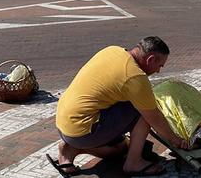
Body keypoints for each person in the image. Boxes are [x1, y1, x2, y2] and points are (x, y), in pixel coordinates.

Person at [49, 36, 188, 177]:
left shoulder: (112, 50)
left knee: (120, 150)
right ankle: (133, 163)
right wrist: (176, 140)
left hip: (64, 124)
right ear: (150, 59)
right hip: (83, 131)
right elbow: (154, 119)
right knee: (144, 110)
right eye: (160, 66)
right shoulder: (135, 77)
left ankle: (70, 149)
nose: (158, 71)